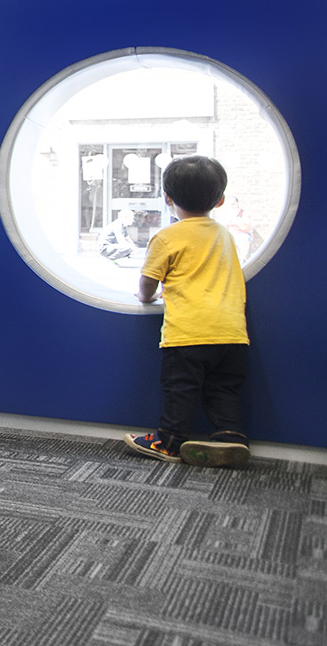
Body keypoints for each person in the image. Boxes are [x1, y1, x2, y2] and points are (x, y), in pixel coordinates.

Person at [124, 155, 250, 467]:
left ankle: (168, 442)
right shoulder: (225, 235)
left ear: (167, 198)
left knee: (180, 389)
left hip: (188, 334)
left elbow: (148, 283)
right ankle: (230, 438)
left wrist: (144, 296)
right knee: (223, 389)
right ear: (220, 200)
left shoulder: (167, 236)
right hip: (232, 333)